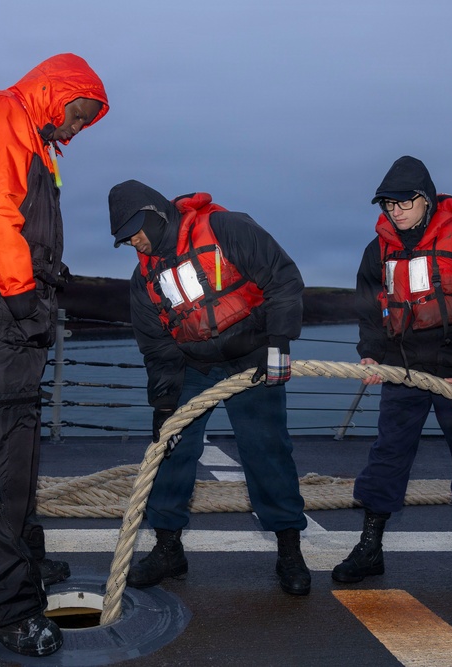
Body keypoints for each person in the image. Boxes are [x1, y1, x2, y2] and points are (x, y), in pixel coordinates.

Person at [0, 53, 108, 657]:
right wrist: (24, 294)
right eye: (81, 115)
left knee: (17, 445)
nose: (79, 129)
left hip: (3, 297)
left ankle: (18, 561)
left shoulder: (34, 136)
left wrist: (33, 301)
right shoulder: (2, 115)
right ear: (62, 93)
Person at [108, 179, 312, 596]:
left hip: (252, 357)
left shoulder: (226, 228)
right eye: (126, 239)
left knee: (266, 450)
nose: (135, 243)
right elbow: (157, 345)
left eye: (136, 231)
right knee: (170, 449)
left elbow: (283, 278)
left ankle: (289, 549)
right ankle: (168, 549)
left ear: (153, 214)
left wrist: (279, 343)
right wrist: (164, 404)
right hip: (192, 366)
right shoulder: (143, 279)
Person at [333, 156, 452, 591]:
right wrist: (371, 354)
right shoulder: (376, 249)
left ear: (426, 200)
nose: (395, 211)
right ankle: (370, 548)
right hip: (403, 368)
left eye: (403, 202)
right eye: (387, 204)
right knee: (388, 456)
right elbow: (367, 307)